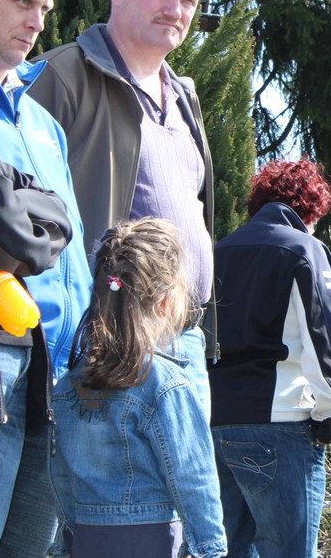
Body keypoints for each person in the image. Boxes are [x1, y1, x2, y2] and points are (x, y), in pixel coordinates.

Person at [29, 0, 217, 416]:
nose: (175, 10)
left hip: (185, 339)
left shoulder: (185, 98)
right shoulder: (60, 76)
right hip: (105, 341)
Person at [0, 0, 92, 557]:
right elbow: (4, 220)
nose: (38, 22)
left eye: (44, 7)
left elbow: (65, 230)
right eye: (22, 3)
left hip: (58, 374)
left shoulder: (43, 122)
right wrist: (30, 214)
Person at [49, 218, 227, 558]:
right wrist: (211, 549)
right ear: (166, 302)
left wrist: (68, 538)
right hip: (153, 538)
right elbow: (194, 478)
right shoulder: (166, 384)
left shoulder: (71, 382)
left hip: (88, 538)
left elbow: (60, 473)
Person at [208, 158, 331, 557]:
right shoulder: (305, 248)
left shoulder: (218, 251)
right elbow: (322, 340)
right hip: (280, 421)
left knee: (223, 549)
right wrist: (330, 416)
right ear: (312, 208)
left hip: (217, 421)